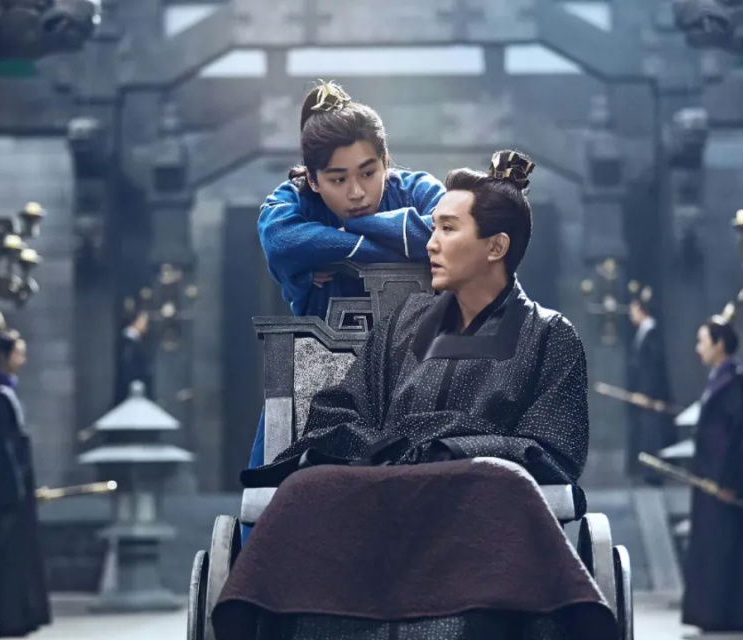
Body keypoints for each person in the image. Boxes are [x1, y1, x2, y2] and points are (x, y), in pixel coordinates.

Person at [212, 152, 614, 640]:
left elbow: (553, 448)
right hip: (386, 488)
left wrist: (451, 448)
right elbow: (340, 409)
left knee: (502, 481)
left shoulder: (549, 335)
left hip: (476, 501)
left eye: (448, 228)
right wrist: (385, 449)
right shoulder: (405, 321)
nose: (432, 242)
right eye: (433, 227)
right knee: (304, 488)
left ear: (496, 246)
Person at [247, 81, 446, 469]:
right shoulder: (294, 199)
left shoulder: (417, 189)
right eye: (338, 180)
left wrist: (338, 240)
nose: (357, 193)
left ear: (385, 161)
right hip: (322, 374)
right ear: (313, 179)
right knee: (277, 485)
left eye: (368, 173)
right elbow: (281, 240)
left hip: (417, 370)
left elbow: (448, 232)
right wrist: (394, 244)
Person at [681, 311, 743, 633]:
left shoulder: (731, 382)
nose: (698, 348)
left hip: (725, 482)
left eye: (702, 341)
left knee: (728, 549)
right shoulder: (722, 380)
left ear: (719, 344)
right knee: (717, 548)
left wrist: (727, 481)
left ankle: (727, 615)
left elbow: (734, 440)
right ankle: (716, 615)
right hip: (713, 480)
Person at [0, 328, 51, 637]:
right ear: (3, 357)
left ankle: (20, 617)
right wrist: (15, 492)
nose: (23, 359)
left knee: (18, 558)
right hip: (5, 495)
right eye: (18, 352)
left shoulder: (6, 393)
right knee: (7, 561)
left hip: (16, 492)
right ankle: (10, 618)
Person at [626, 292, 675, 484]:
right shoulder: (644, 333)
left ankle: (654, 474)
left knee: (653, 434)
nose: (631, 315)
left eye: (633, 310)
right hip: (645, 394)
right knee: (647, 434)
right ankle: (648, 472)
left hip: (651, 396)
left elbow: (652, 369)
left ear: (641, 309)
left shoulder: (652, 332)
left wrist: (647, 394)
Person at [113, 308, 153, 405]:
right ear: (136, 321)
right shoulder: (128, 343)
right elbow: (127, 368)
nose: (146, 325)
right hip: (130, 393)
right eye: (144, 321)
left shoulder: (135, 341)